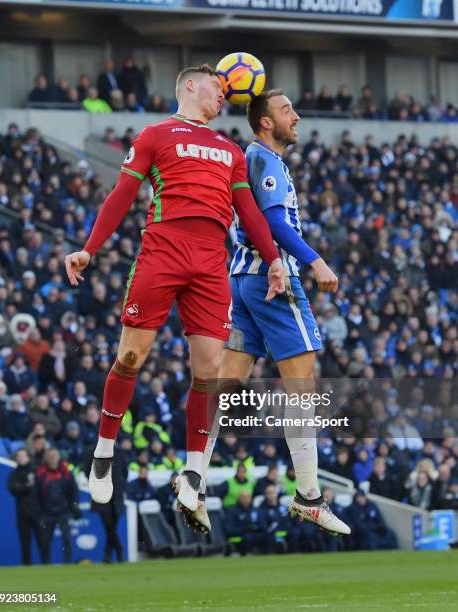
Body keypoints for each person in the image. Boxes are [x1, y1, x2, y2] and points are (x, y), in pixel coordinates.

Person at [64, 65, 285, 517]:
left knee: (209, 373)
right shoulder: (155, 134)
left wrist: (275, 258)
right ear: (189, 85)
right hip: (161, 252)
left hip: (209, 262)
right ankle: (104, 454)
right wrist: (89, 249)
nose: (223, 96)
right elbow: (122, 195)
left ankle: (193, 473)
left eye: (226, 91)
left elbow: (250, 211)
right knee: (130, 357)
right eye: (216, 87)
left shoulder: (230, 150)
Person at [191, 89, 350, 537]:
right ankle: (309, 497)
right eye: (286, 111)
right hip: (271, 278)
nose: (296, 117)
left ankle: (194, 480)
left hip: (240, 281)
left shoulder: (252, 158)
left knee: (226, 385)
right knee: (302, 387)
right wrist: (315, 260)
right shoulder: (264, 160)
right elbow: (276, 223)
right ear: (265, 123)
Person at [37, 447, 81, 564]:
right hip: (47, 513)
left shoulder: (66, 473)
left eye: (54, 456)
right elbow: (36, 494)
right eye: (50, 456)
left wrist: (75, 507)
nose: (52, 458)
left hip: (64, 512)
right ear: (46, 458)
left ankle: (68, 563)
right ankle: (45, 563)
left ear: (58, 457)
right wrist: (39, 511)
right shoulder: (41, 473)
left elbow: (74, 492)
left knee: (67, 539)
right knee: (45, 540)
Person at [84, 446, 127, 563]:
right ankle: (119, 550)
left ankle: (107, 556)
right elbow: (87, 471)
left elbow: (125, 472)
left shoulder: (119, 452)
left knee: (111, 529)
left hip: (117, 497)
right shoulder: (92, 451)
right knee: (110, 527)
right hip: (102, 496)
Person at [7, 448, 43, 565]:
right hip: (22, 512)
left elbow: (40, 489)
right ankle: (27, 564)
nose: (21, 458)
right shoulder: (13, 474)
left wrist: (22, 486)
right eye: (19, 456)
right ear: (16, 459)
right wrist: (27, 486)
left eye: (23, 456)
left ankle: (45, 563)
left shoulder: (36, 471)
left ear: (28, 457)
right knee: (25, 541)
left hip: (37, 511)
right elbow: (12, 489)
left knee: (41, 540)